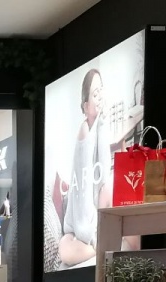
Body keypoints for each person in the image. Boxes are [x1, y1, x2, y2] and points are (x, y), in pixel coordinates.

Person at [58, 68, 111, 268]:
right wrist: (89, 235)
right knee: (66, 249)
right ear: (86, 105)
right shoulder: (84, 134)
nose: (100, 97)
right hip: (79, 226)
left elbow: (103, 174)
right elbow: (81, 188)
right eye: (95, 94)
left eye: (101, 91)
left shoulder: (99, 125)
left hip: (93, 220)